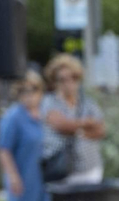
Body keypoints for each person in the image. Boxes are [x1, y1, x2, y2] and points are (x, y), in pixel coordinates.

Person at [40, 54, 106, 186]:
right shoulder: (49, 101)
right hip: (62, 170)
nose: (68, 83)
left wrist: (75, 129)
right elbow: (61, 125)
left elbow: (101, 130)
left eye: (73, 78)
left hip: (90, 167)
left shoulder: (88, 103)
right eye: (62, 79)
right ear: (54, 81)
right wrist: (87, 123)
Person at [0, 70, 48, 201]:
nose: (29, 94)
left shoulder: (45, 113)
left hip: (44, 180)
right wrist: (13, 177)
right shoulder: (13, 117)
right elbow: (3, 148)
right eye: (23, 90)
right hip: (24, 179)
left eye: (33, 89)